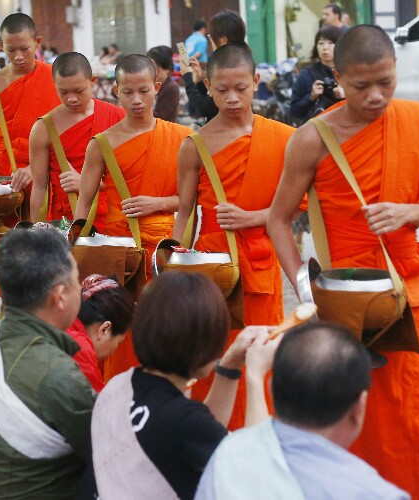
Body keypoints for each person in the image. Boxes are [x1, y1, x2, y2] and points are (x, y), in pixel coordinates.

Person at [266, 25, 419, 499]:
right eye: (361, 86)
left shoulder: (416, 121)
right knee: (354, 414)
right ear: (338, 76)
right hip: (344, 299)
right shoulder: (311, 140)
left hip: (409, 291)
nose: (377, 96)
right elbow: (279, 220)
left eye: (387, 82)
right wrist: (304, 288)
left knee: (415, 412)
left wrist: (407, 212)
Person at [173, 44, 295, 430]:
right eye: (222, 89)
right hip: (214, 268)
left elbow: (302, 205)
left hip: (261, 261)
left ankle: (260, 435)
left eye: (240, 88)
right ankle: (214, 435)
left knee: (263, 351)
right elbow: (184, 210)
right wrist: (172, 265)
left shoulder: (284, 138)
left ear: (256, 82)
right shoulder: (195, 145)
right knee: (215, 355)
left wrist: (254, 216)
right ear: (207, 86)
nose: (231, 98)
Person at [84, 271, 280, 499]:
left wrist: (229, 364)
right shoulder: (183, 421)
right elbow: (258, 476)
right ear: (206, 345)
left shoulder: (118, 386)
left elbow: (198, 429)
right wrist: (255, 376)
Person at [0, 228, 95, 498]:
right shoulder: (58, 374)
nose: (81, 287)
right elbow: (101, 453)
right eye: (77, 279)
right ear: (59, 295)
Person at [74, 54, 192, 380]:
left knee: (165, 330)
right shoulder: (102, 144)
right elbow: (83, 205)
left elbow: (193, 201)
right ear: (115, 90)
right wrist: (80, 257)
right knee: (121, 332)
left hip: (166, 251)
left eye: (144, 90)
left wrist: (157, 203)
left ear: (157, 87)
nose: (136, 100)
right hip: (117, 256)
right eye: (128, 92)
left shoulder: (183, 139)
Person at [195, 323, 408, 499]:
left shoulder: (225, 457)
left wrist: (249, 372)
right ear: (358, 408)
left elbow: (256, 450)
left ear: (271, 390)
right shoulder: (374, 493)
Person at [0, 13, 60, 294]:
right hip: (4, 183)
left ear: (38, 42)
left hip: (45, 175)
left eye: (25, 49)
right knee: (9, 254)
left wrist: (36, 168)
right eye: (10, 50)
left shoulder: (53, 78)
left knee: (44, 251)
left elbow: (64, 135)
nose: (18, 56)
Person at [28, 51, 125, 225]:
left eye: (79, 91)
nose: (71, 98)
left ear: (93, 81)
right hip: (67, 221)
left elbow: (133, 180)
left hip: (113, 219)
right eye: (63, 92)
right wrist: (36, 233)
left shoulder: (118, 117)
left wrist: (87, 183)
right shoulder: (44, 128)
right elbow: (39, 187)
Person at [67, 274, 134, 391]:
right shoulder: (80, 351)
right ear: (104, 329)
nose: (114, 350)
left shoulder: (59, 324)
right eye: (118, 343)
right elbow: (98, 406)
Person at [181, 10, 246, 121]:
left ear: (223, 40)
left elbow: (206, 108)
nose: (211, 45)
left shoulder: (226, 67)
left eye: (212, 41)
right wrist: (200, 81)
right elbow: (210, 101)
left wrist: (188, 77)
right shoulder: (243, 60)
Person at [290, 25, 344, 122]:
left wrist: (346, 94)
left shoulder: (349, 73)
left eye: (331, 43)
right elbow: (294, 111)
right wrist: (311, 96)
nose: (325, 48)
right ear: (316, 46)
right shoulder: (306, 74)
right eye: (321, 43)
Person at [147, 45, 180, 123]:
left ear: (167, 70)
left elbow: (160, 116)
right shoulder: (147, 84)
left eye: (156, 67)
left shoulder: (171, 88)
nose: (153, 71)